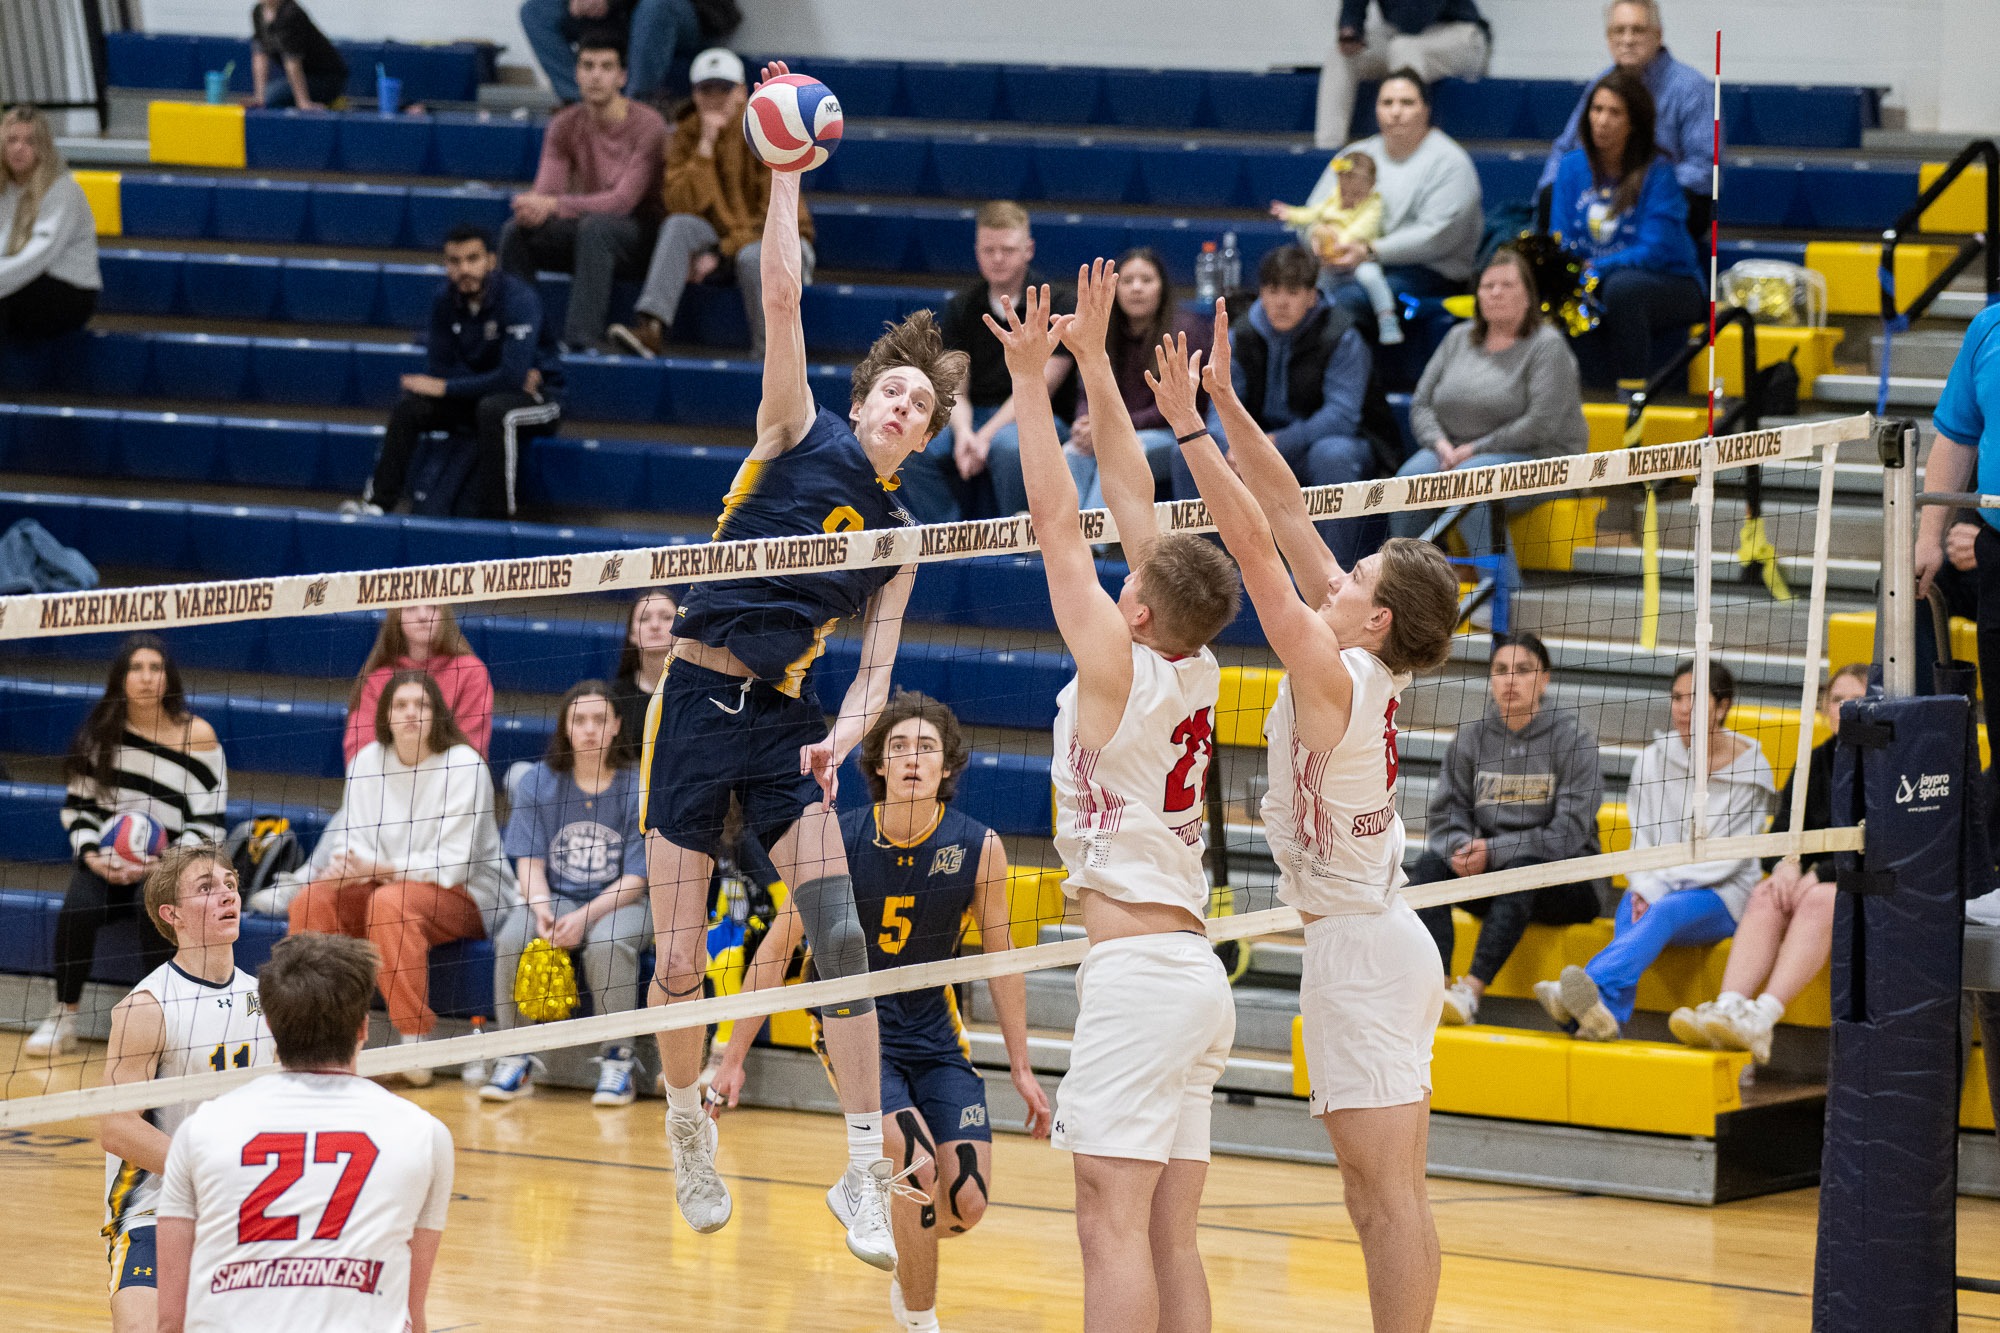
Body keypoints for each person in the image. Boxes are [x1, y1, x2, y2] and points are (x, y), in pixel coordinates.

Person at [636, 58, 969, 1266]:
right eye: (889, 391)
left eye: (916, 410)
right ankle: (685, 1125)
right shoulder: (797, 428)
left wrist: (849, 731)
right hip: (690, 703)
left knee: (840, 936)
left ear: (923, 439)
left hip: (785, 719)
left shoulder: (901, 534)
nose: (897, 409)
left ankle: (861, 1172)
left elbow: (878, 666)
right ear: (861, 396)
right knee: (678, 959)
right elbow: (779, 300)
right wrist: (781, 177)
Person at [1154, 302, 1461, 1333]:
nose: (1339, 570)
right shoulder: (1363, 654)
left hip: (1362, 951)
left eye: (1358, 575)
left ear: (1373, 615)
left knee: (1383, 1201)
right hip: (1374, 935)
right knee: (1381, 1196)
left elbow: (1254, 552)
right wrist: (1233, 402)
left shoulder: (1332, 673)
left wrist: (1190, 433)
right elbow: (1287, 513)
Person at [992, 265, 1242, 1333]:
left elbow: (1059, 521)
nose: (1118, 575)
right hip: (1191, 973)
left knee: (1107, 1226)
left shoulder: (1118, 668)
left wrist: (1028, 384)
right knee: (1166, 1234)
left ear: (1137, 612)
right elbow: (1132, 502)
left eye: (1128, 583)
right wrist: (1094, 362)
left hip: (1139, 974)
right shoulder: (1193, 665)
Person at [710, 692, 1053, 1333]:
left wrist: (1024, 1070)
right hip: (853, 1027)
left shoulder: (978, 846)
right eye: (898, 748)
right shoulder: (835, 838)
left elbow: (1001, 959)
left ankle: (899, 1235)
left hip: (934, 1033)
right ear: (879, 766)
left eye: (926, 747)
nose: (913, 759)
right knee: (911, 1164)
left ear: (948, 766)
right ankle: (919, 1320)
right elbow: (776, 949)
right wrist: (731, 1057)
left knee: (965, 1202)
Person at [154, 933, 454, 1333]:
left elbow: (171, 1320)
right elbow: (411, 1315)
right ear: (363, 1028)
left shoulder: (201, 1129)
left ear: (270, 1027)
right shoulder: (424, 1134)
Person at [289, 670, 515, 1081]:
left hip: (471, 894)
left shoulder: (464, 764)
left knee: (389, 904)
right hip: (385, 885)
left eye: (422, 705)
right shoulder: (366, 762)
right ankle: (320, 1038)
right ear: (386, 716)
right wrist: (344, 869)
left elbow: (453, 864)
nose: (412, 714)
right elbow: (354, 840)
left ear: (438, 715)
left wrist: (378, 869)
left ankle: (414, 1048)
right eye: (401, 705)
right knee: (313, 899)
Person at [1536, 662, 1775, 1041]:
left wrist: (1660, 889)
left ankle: (1584, 991)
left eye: (1694, 699)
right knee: (1632, 903)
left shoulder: (1752, 769)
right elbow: (1643, 838)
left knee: (1660, 908)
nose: (1682, 708)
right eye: (1677, 698)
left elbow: (1729, 859)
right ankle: (1605, 1018)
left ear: (1722, 706)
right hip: (1660, 880)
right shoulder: (1652, 760)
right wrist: (1648, 885)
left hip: (1724, 893)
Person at [97, 845, 275, 1333]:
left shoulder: (265, 1000)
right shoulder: (147, 1007)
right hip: (156, 1209)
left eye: (230, 884)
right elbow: (116, 1128)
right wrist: (210, 1173)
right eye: (206, 887)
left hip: (247, 1211)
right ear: (170, 915)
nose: (226, 895)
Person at [27, 634, 228, 1059]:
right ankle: (64, 1015)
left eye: (155, 668)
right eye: (135, 668)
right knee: (78, 906)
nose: (146, 677)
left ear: (168, 678)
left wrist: (166, 865)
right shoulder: (100, 735)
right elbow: (79, 809)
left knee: (151, 906)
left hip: (171, 864)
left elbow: (209, 820)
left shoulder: (199, 735)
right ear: (120, 680)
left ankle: (163, 1024)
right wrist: (93, 856)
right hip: (107, 862)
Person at [1670, 664, 1868, 1063]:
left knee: (1820, 898)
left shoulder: (1890, 764)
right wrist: (1787, 866)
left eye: (1856, 700)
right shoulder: (1814, 762)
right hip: (1814, 884)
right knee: (1765, 893)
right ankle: (1729, 1007)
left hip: (1866, 889)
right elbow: (1778, 837)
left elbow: (1881, 841)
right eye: (1836, 699)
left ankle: (1762, 1017)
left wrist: (1822, 873)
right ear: (1824, 707)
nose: (1844, 709)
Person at [1411, 632, 1606, 1026]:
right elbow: (1447, 815)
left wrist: (1495, 851)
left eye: (1523, 670)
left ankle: (1471, 992)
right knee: (1429, 867)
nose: (1510, 680)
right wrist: (1461, 848)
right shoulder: (1472, 736)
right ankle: (1441, 988)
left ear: (1545, 679)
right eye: (1500, 671)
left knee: (1523, 870)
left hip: (1568, 882)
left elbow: (1568, 833)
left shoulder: (1573, 739)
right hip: (1495, 875)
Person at [1169, 245, 1402, 570]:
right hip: (1255, 443)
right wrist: (1233, 446)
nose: (1281, 301)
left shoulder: (1342, 335)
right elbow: (1219, 403)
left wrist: (1272, 444)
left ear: (1311, 295)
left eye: (1292, 291)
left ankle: (1335, 575)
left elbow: (1341, 417)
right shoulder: (1239, 332)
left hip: (1318, 445)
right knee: (1190, 452)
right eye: (1272, 290)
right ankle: (1202, 572)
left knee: (1334, 454)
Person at [482, 681, 650, 1105]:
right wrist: (542, 911)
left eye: (599, 720)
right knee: (513, 936)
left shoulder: (636, 785)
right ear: (566, 728)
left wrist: (584, 918)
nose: (590, 729)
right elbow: (530, 867)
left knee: (608, 943)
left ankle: (619, 1060)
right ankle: (514, 1056)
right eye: (580, 720)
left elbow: (636, 879)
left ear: (615, 727)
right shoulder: (538, 782)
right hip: (556, 896)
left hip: (626, 899)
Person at [1388, 247, 1590, 590]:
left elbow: (1541, 422)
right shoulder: (1457, 338)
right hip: (1451, 449)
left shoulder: (1547, 346)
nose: (1495, 292)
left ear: (1528, 297)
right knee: (1408, 481)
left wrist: (1475, 449)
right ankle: (1410, 593)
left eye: (1507, 285)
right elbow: (1421, 403)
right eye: (1488, 285)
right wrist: (1439, 445)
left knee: (1472, 482)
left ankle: (1504, 601)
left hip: (1542, 457)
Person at [343, 224, 564, 521]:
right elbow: (441, 368)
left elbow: (509, 378)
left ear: (491, 260)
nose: (464, 269)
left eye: (473, 259)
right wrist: (487, 378)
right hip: (483, 398)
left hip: (539, 398)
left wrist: (450, 387)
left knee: (496, 410)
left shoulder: (519, 299)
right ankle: (378, 503)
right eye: (455, 262)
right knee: (411, 407)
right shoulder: (444, 300)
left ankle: (499, 520)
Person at [609, 48, 817, 360]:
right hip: (725, 239)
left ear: (741, 92)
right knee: (678, 226)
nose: (715, 98)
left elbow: (777, 217)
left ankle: (773, 357)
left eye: (724, 88)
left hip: (783, 241)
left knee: (750, 257)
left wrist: (721, 256)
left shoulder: (766, 130)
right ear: (694, 94)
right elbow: (679, 204)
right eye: (706, 89)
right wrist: (705, 146)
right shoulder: (686, 135)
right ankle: (650, 328)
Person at [896, 201, 1076, 526]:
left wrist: (985, 437)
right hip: (974, 412)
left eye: (1007, 249)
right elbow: (956, 389)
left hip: (1037, 415)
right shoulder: (962, 307)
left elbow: (1043, 387)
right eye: (988, 249)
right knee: (910, 444)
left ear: (1028, 249)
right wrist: (965, 432)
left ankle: (1020, 542)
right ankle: (945, 533)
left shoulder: (1057, 302)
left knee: (1008, 447)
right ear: (977, 251)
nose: (997, 258)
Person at [499, 33, 668, 352]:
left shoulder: (648, 124)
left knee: (597, 228)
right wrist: (533, 208)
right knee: (516, 232)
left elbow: (622, 202)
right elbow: (545, 193)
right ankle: (521, 336)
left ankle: (581, 339)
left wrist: (551, 204)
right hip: (590, 229)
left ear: (622, 77)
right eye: (588, 66)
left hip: (640, 236)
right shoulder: (564, 124)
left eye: (606, 67)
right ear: (576, 73)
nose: (595, 75)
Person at [1548, 69, 1706, 388]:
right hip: (1600, 278)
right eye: (1597, 109)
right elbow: (1560, 239)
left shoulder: (1659, 173)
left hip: (1673, 282)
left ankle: (1632, 396)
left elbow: (1656, 249)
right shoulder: (1571, 167)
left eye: (1615, 112)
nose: (1602, 121)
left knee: (1621, 289)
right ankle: (1584, 400)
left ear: (1634, 123)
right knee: (1562, 292)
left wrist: (1596, 268)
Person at [1300, 72, 1482, 333]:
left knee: (1345, 303)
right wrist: (1318, 237)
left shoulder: (1451, 162)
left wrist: (1370, 250)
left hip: (1428, 274)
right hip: (1351, 266)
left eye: (1407, 103)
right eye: (1387, 103)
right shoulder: (1355, 156)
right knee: (1292, 298)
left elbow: (1438, 236)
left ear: (1426, 110)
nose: (1396, 111)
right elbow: (1311, 213)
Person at [1537, 0, 1716, 242]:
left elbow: (1705, 168)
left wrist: (1646, 185)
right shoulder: (1601, 84)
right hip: (1603, 190)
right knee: (1551, 195)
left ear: (1658, 35)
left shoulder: (1691, 88)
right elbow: (1566, 147)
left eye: (1638, 30)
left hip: (1665, 195)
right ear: (1608, 38)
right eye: (1619, 30)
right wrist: (1551, 187)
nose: (1628, 40)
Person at [1065, 247, 1212, 513]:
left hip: (1172, 433)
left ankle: (1094, 545)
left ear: (1162, 288)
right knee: (1072, 452)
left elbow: (1175, 407)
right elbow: (1087, 389)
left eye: (1146, 280)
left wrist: (1113, 428)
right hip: (1114, 429)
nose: (1136, 288)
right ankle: (1070, 536)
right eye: (1127, 281)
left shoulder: (1185, 331)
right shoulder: (1103, 329)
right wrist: (1086, 421)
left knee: (1124, 450)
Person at [1315, 0, 1490, 151]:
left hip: (1461, 33)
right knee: (1341, 56)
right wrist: (1351, 28)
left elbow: (1414, 20)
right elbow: (1352, 16)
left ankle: (1402, 156)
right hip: (1401, 33)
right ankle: (1327, 151)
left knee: (1403, 48)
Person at [1274, 150, 1402, 345]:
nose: (1350, 198)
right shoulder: (1334, 200)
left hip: (1359, 259)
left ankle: (1387, 318)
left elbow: (1365, 226)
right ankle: (1313, 322)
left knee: (1372, 278)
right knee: (1318, 286)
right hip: (1331, 261)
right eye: (1345, 191)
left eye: (1357, 194)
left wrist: (1340, 241)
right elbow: (1313, 213)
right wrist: (1291, 214)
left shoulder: (1373, 204)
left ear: (1371, 186)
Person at [0, 106, 102, 344]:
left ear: (42, 147)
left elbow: (39, 255)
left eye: (29, 141)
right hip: (21, 281)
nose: (18, 148)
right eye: (12, 140)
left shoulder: (62, 189)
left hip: (68, 290)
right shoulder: (5, 188)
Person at [343, 603, 493, 764]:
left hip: (449, 780)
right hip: (390, 781)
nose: (423, 616)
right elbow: (358, 750)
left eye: (433, 607)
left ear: (445, 614)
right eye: (411, 608)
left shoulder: (470, 671)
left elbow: (471, 748)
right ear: (396, 617)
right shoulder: (377, 679)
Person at [519, 0, 707, 106]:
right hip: (618, 16)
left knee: (655, 5)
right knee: (535, 12)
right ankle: (581, 102)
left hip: (685, 12)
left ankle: (633, 106)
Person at [609, 588, 677, 763]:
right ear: (632, 634)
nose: (655, 625)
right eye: (644, 619)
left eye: (666, 617)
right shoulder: (614, 697)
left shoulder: (700, 692)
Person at [248, 0, 348, 111]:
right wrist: (259, 97)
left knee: (271, 96)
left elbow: (292, 61)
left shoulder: (290, 13)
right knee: (268, 96)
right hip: (305, 76)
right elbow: (260, 55)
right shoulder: (258, 12)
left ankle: (328, 104)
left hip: (327, 78)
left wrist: (303, 102)